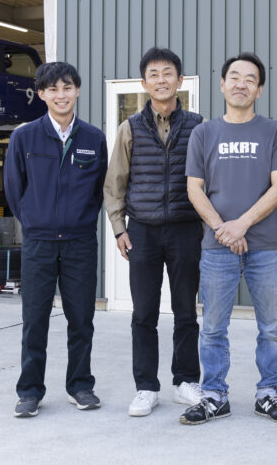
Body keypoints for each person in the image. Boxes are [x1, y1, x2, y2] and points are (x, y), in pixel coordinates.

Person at [180, 52, 277, 425]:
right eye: (234, 77)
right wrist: (223, 229)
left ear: (259, 90)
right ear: (222, 84)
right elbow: (194, 189)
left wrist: (241, 225)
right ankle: (214, 395)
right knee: (213, 327)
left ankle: (268, 393)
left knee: (271, 327)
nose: (241, 84)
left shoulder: (274, 131)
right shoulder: (203, 133)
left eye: (250, 79)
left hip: (265, 247)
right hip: (217, 249)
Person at [103, 47, 205, 417]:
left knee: (186, 311)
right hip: (142, 231)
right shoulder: (129, 128)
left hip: (185, 229)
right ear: (144, 83)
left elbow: (209, 181)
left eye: (168, 73)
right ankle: (146, 387)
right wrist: (119, 229)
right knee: (143, 313)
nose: (161, 80)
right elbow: (115, 184)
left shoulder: (199, 126)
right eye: (154, 74)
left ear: (180, 80)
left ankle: (186, 381)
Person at [3, 62, 108, 418]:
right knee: (35, 319)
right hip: (39, 243)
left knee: (81, 319)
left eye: (67, 88)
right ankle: (30, 391)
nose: (61, 95)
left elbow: (99, 190)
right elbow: (14, 189)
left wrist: (81, 220)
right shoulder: (24, 137)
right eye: (53, 89)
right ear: (42, 94)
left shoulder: (93, 138)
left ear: (77, 90)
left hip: (80, 242)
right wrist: (35, 222)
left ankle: (80, 386)